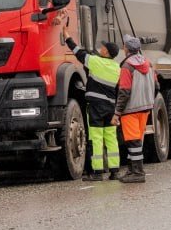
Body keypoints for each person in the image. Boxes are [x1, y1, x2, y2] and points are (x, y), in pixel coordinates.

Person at [64, 35, 121, 181]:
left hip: (96, 107)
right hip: (110, 108)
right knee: (111, 139)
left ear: (106, 52)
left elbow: (79, 53)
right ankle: (114, 171)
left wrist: (68, 38)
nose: (101, 48)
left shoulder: (96, 62)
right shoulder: (116, 68)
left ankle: (97, 173)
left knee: (96, 139)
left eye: (103, 47)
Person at [114, 34, 156, 183]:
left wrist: (117, 113)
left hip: (130, 110)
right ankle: (132, 170)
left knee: (133, 142)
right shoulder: (148, 64)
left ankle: (138, 172)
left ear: (126, 48)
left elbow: (124, 91)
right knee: (136, 141)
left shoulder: (127, 66)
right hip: (145, 108)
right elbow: (156, 85)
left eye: (124, 45)